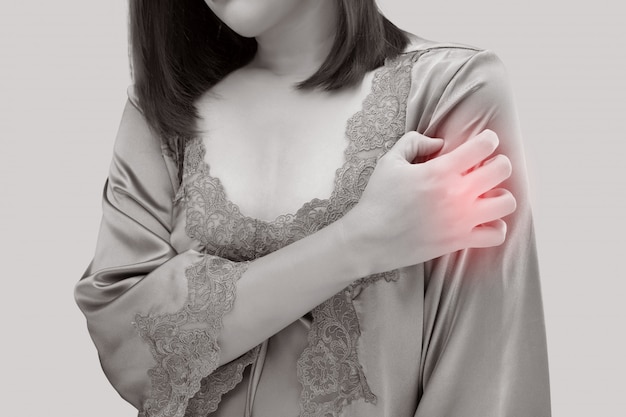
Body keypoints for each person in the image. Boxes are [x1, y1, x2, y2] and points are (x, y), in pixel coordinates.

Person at [74, 1, 551, 416]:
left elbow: (486, 382)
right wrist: (357, 243)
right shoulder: (161, 109)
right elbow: (125, 342)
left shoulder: (449, 91)